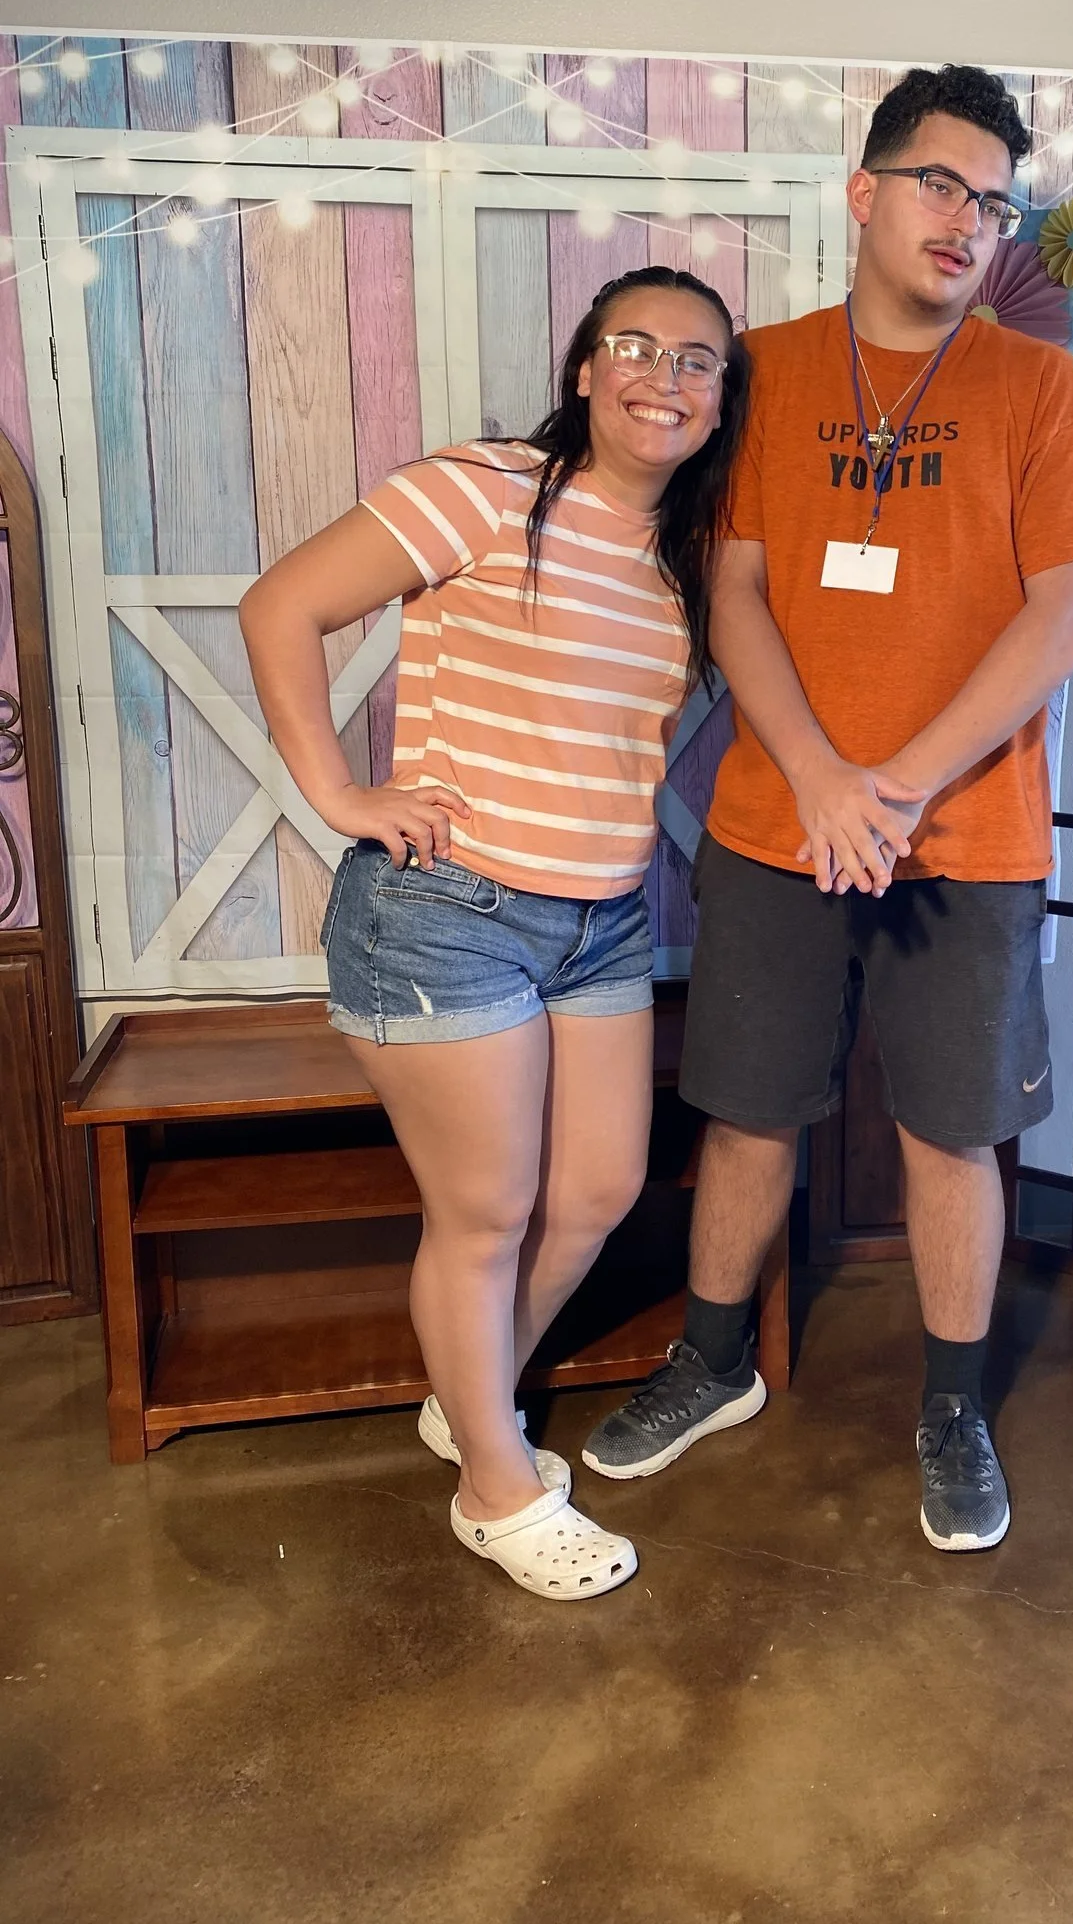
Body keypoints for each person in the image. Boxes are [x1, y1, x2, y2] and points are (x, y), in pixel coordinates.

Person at [583, 66, 1073, 1551]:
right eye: (939, 185)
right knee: (748, 1108)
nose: (967, 220)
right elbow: (737, 588)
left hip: (965, 835)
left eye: (993, 199)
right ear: (865, 191)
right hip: (781, 821)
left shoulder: (1039, 390)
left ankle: (951, 1406)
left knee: (951, 1133)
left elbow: (1062, 620)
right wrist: (828, 782)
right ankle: (711, 1363)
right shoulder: (757, 371)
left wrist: (893, 786)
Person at [241, 267, 748, 1602]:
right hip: (446, 913)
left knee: (593, 1193)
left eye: (699, 361)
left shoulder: (687, 552)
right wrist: (340, 793)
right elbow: (279, 605)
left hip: (601, 916)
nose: (666, 375)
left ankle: (468, 1400)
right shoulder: (481, 488)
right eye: (635, 346)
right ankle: (492, 1482)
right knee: (486, 1212)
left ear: (720, 400)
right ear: (585, 368)